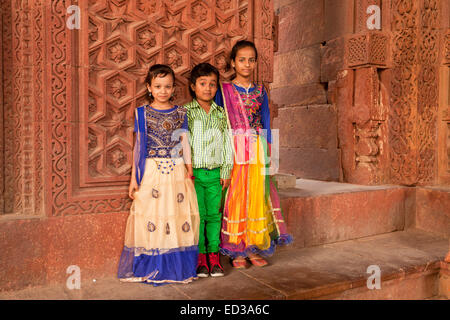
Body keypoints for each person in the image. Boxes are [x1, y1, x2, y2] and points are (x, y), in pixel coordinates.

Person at [117, 64, 199, 286]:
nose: (163, 90)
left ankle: (175, 268)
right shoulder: (142, 113)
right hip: (152, 171)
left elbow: (185, 142)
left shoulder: (181, 112)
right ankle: (152, 267)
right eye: (158, 86)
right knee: (153, 216)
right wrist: (134, 179)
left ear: (173, 89)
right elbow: (139, 146)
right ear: (149, 87)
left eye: (168, 86)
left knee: (175, 215)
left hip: (176, 171)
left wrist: (189, 169)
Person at [215, 40, 293, 268]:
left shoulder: (260, 91)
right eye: (241, 60)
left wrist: (270, 153)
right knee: (237, 196)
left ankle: (253, 247)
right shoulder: (224, 90)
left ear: (256, 62)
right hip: (235, 149)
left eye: (251, 60)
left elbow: (267, 122)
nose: (247, 64)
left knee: (257, 197)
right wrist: (222, 155)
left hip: (258, 149)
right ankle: (237, 250)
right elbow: (220, 123)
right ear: (233, 62)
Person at [184, 63, 233, 277]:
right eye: (203, 83)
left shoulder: (221, 114)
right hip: (194, 174)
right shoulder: (186, 112)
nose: (208, 88)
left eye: (212, 84)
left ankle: (214, 257)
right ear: (193, 86)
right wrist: (186, 171)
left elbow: (227, 142)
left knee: (214, 216)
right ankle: (201, 257)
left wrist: (226, 171)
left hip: (215, 174)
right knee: (199, 216)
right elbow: (183, 143)